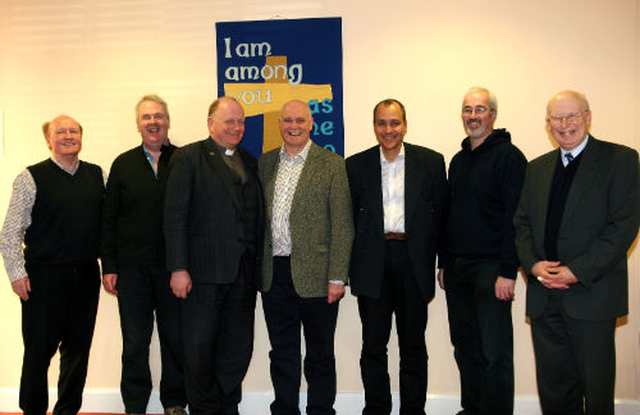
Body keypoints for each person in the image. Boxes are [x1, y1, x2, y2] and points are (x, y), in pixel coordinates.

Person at [514, 90, 639, 415]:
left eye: (572, 116)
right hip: (544, 298)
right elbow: (521, 225)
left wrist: (576, 271)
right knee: (554, 392)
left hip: (592, 297)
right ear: (547, 124)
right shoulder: (536, 168)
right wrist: (534, 266)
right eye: (557, 118)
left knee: (596, 394)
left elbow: (622, 227)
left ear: (588, 117)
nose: (565, 124)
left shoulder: (621, 160)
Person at [346, 98, 447, 415]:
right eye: (381, 123)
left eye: (394, 123)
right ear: (374, 126)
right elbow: (348, 219)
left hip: (413, 261)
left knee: (413, 345)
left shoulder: (430, 162)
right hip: (371, 261)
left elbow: (442, 217)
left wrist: (443, 263)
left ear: (405, 124)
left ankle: (413, 409)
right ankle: (376, 408)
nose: (388, 130)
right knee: (373, 346)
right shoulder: (356, 165)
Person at [164, 96, 263, 415]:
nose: (237, 127)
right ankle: (205, 409)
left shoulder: (249, 160)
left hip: (243, 276)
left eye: (241, 121)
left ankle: (227, 405)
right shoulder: (189, 157)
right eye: (229, 121)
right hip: (203, 275)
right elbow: (175, 216)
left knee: (237, 348)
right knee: (199, 349)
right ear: (211, 123)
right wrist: (178, 267)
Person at [0, 115, 104, 415]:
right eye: (60, 132)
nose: (68, 135)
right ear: (49, 140)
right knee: (38, 353)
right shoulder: (30, 178)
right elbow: (9, 232)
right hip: (43, 278)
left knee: (77, 352)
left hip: (86, 275)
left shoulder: (98, 176)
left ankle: (67, 411)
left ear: (81, 137)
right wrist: (17, 274)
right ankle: (32, 410)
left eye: (73, 131)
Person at [258, 99, 353, 415]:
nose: (293, 126)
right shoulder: (266, 163)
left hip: (318, 275)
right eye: (287, 120)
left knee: (320, 354)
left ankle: (321, 410)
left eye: (300, 120)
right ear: (280, 124)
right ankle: (284, 409)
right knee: (282, 353)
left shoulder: (332, 164)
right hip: (275, 274)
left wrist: (337, 276)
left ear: (311, 124)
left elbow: (342, 225)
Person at [437, 87, 526, 415]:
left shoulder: (509, 157)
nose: (473, 116)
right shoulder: (458, 161)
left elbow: (515, 217)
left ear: (492, 115)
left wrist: (507, 270)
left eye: (480, 110)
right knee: (465, 347)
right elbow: (450, 216)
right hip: (458, 269)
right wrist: (445, 262)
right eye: (467, 110)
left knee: (495, 351)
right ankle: (472, 408)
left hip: (492, 269)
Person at [101, 94, 187, 415]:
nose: (153, 122)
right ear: (138, 124)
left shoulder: (183, 160)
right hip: (132, 271)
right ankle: (135, 405)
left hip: (173, 269)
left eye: (159, 116)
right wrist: (109, 265)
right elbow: (108, 219)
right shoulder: (123, 164)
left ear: (168, 122)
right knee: (135, 344)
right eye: (147, 117)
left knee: (175, 341)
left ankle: (175, 401)